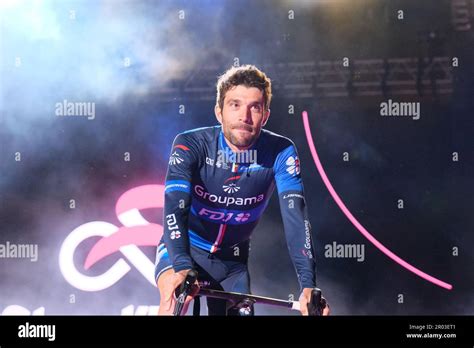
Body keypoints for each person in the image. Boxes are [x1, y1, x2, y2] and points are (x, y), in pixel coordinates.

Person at [155, 64, 330, 316]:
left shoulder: (281, 152)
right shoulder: (190, 144)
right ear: (219, 112)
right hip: (184, 248)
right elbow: (174, 207)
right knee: (172, 302)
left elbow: (296, 219)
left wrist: (308, 286)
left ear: (265, 115)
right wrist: (181, 265)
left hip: (232, 263)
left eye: (255, 107)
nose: (244, 117)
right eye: (235, 105)